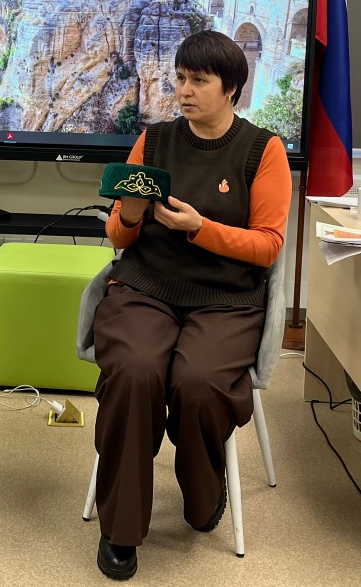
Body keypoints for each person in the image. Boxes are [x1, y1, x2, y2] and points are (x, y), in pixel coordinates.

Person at [91, 31, 292, 580]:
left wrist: (200, 228)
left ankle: (204, 494)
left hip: (226, 300)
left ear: (231, 89)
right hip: (146, 288)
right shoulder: (153, 142)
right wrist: (130, 215)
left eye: (199, 81)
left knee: (199, 383)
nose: (183, 90)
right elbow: (119, 238)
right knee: (135, 372)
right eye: (180, 78)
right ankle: (120, 528)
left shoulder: (263, 151)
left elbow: (267, 246)